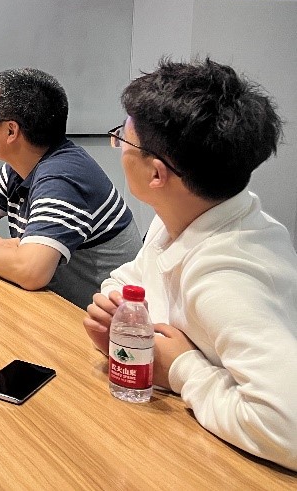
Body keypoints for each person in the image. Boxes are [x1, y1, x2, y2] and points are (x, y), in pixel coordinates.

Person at [84, 59, 297, 470]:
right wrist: (119, 313)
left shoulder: (228, 278)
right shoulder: (188, 216)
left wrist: (181, 369)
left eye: (122, 140)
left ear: (157, 174)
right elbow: (128, 278)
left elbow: (288, 429)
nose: (119, 147)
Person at [0, 68, 141, 307]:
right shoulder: (20, 167)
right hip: (50, 305)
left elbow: (30, 272)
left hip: (91, 318)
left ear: (11, 131)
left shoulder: (63, 177)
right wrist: (4, 247)